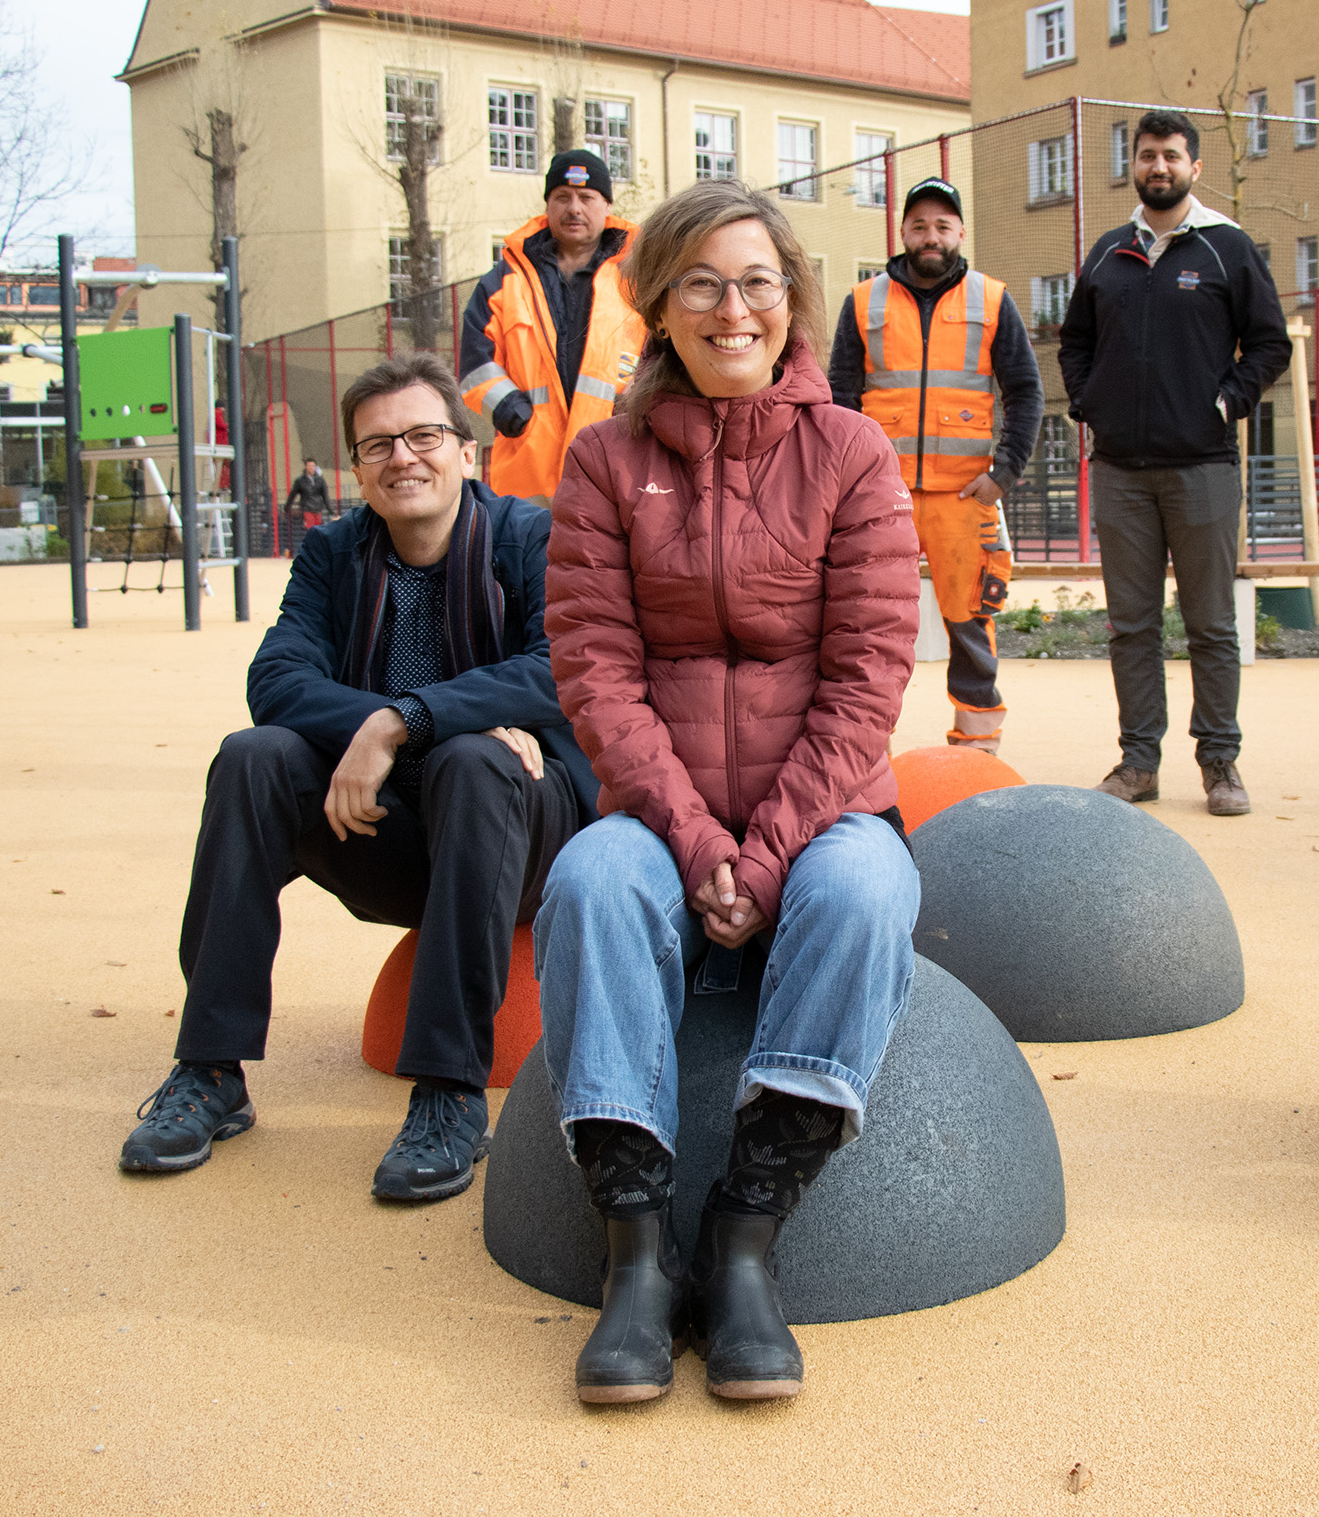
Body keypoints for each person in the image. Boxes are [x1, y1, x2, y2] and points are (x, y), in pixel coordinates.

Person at [536, 181, 921, 1405]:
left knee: (865, 891)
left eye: (755, 280)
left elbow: (869, 676)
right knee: (590, 881)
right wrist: (698, 837)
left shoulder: (851, 450)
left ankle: (747, 1230)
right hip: (660, 816)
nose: (731, 307)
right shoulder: (603, 461)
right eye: (699, 281)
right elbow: (595, 671)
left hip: (822, 809)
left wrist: (763, 859)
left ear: (791, 298)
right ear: (657, 304)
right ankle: (638, 1249)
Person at [119, 353, 593, 1205]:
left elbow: (564, 666)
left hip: (522, 833)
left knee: (475, 757)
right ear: (357, 467)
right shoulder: (334, 553)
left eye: (422, 435)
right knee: (252, 757)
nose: (402, 457)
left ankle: (449, 1094)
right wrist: (395, 729)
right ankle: (211, 1068)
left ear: (467, 451)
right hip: (383, 828)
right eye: (377, 445)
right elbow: (277, 680)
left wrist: (401, 719)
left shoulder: (532, 536)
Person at [1059, 108, 1291, 816]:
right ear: (1134, 165)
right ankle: (1138, 762)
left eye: (1172, 155)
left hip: (1203, 470)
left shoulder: (1227, 248)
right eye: (1148, 155)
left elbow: (1270, 344)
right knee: (1131, 625)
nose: (1159, 166)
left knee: (1211, 624)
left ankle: (1220, 763)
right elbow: (1073, 344)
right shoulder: (1106, 253)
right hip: (1122, 473)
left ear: (1195, 167)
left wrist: (1224, 403)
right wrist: (1090, 402)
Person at [828, 175, 1044, 752]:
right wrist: (847, 483)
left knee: (971, 622)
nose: (931, 236)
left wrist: (1003, 474)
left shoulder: (992, 300)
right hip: (880, 498)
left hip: (963, 498)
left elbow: (1026, 390)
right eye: (919, 225)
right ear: (902, 231)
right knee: (865, 625)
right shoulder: (863, 300)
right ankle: (861, 749)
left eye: (942, 226)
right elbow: (839, 398)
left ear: (960, 232)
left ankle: (977, 751)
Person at [458, 148, 642, 507]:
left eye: (587, 197)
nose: (574, 208)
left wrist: (636, 406)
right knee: (525, 559)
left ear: (607, 206)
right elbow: (475, 361)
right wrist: (511, 410)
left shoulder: (638, 278)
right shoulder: (505, 279)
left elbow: (664, 350)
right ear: (547, 205)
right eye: (563, 197)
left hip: (617, 458)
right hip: (528, 471)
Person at [284, 457, 330, 550]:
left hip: (318, 508)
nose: (311, 468)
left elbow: (325, 495)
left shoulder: (320, 480)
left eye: (313, 466)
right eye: (309, 466)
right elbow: (293, 494)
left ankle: (318, 549)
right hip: (307, 508)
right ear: (305, 467)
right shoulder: (300, 480)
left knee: (318, 530)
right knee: (311, 530)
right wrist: (287, 506)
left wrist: (330, 509)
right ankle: (312, 550)